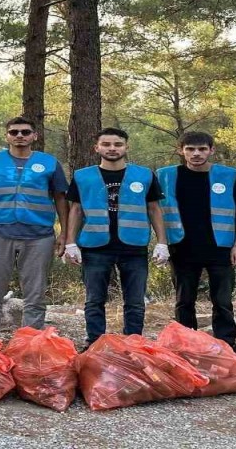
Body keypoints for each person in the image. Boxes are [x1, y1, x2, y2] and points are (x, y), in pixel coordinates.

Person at [63, 128, 168, 347]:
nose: (112, 149)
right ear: (97, 148)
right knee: (94, 301)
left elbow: (154, 209)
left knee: (135, 302)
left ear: (126, 147)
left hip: (134, 246)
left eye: (118, 144)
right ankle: (94, 344)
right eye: (107, 144)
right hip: (95, 246)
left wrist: (162, 242)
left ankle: (133, 344)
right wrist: (70, 242)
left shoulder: (145, 175)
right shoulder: (83, 176)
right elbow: (76, 209)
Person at [0, 116, 69, 340]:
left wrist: (64, 233)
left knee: (35, 295)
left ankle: (29, 344)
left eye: (25, 132)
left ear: (34, 136)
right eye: (14, 132)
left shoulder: (49, 162)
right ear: (7, 136)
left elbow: (60, 198)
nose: (20, 136)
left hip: (38, 236)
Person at [157, 131, 236, 349]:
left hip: (220, 247)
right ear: (181, 151)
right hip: (181, 246)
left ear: (211, 150)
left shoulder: (228, 175)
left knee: (223, 301)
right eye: (190, 149)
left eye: (202, 149)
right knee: (184, 300)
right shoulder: (165, 176)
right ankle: (187, 344)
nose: (196, 154)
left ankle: (226, 344)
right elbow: (154, 211)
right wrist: (161, 244)